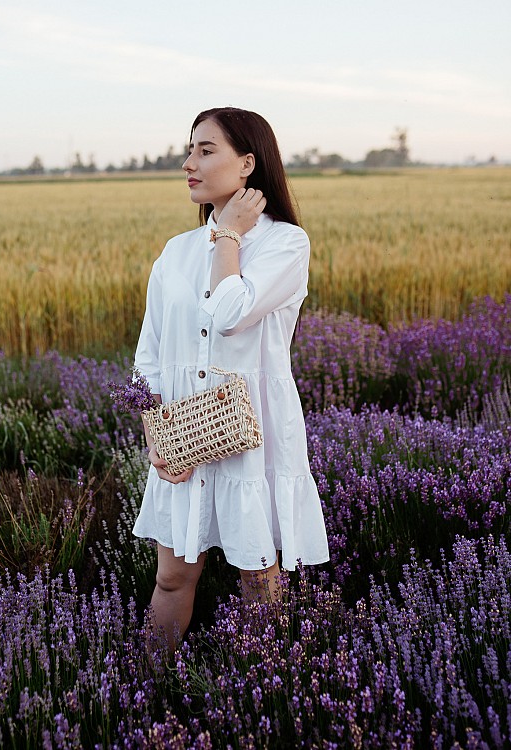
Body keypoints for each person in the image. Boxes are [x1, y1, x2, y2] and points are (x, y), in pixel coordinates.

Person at [133, 107, 329, 649]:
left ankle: (270, 686)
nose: (188, 163)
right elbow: (148, 353)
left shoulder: (286, 243)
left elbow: (228, 313)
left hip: (252, 439)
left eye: (205, 150)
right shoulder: (176, 252)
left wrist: (228, 236)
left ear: (247, 163)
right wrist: (155, 432)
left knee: (259, 581)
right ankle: (146, 682)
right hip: (182, 438)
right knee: (172, 577)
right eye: (189, 150)